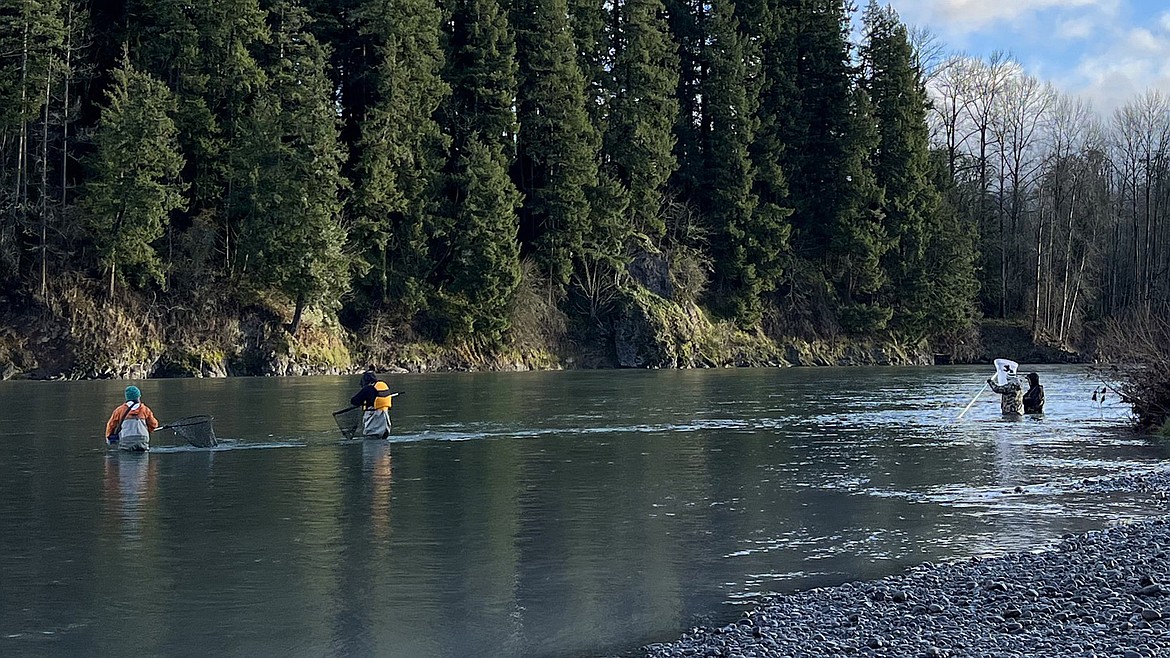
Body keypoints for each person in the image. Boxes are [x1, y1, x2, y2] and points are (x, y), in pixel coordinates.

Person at [105, 385, 159, 451]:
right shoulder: (145, 410)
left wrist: (109, 437)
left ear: (127, 398)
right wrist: (149, 430)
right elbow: (154, 425)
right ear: (138, 397)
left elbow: (110, 425)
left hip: (126, 441)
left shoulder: (119, 410)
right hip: (142, 440)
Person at [350, 370, 393, 438]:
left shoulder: (368, 389)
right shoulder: (383, 385)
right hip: (385, 416)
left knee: (370, 437)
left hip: (373, 416)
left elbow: (354, 401)